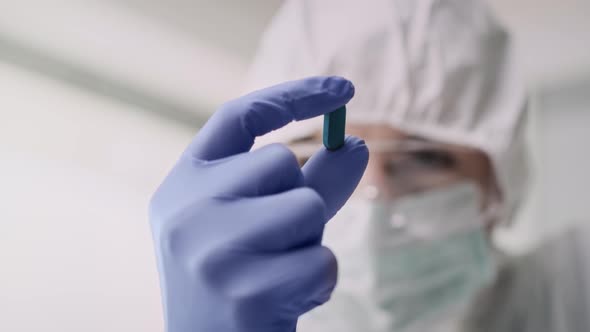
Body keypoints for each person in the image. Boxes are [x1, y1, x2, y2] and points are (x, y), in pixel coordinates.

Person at [245, 0, 590, 332]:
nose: (373, 203)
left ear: (498, 186)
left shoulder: (566, 299)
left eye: (426, 158)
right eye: (317, 159)